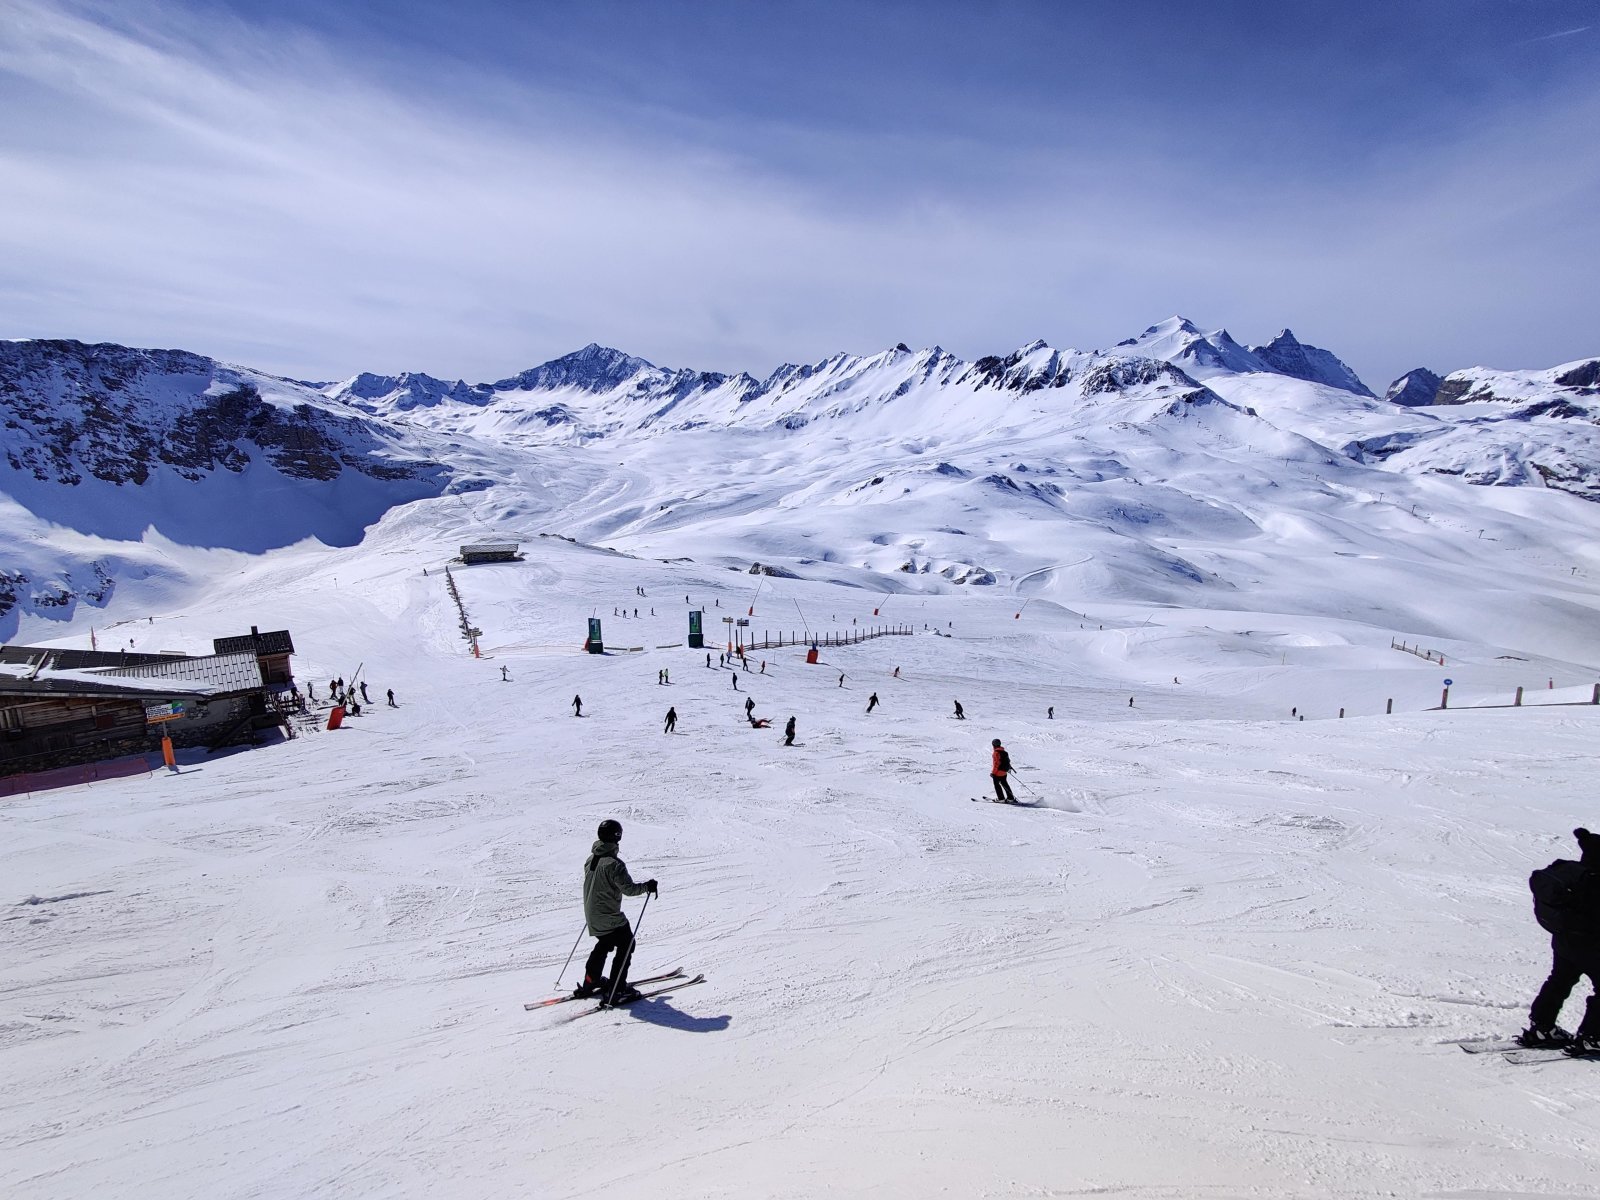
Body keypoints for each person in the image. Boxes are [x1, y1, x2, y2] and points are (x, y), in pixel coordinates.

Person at [1524, 828, 1600, 1052]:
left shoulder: (1577, 877)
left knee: (1559, 980)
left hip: (1564, 941)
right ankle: (1592, 1036)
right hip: (1591, 945)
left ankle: (1542, 1028)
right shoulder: (1594, 884)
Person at [577, 819, 657, 1002]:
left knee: (604, 943)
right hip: (609, 918)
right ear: (617, 837)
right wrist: (647, 886)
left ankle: (591, 981)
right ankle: (617, 989)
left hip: (592, 916)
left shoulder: (591, 859)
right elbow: (629, 890)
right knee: (627, 944)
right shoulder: (614, 864)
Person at [990, 738, 1017, 803]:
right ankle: (1011, 798)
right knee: (1005, 784)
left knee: (997, 785)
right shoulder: (1004, 752)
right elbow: (1008, 761)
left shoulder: (996, 753)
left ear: (993, 745)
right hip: (1004, 772)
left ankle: (1001, 798)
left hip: (998, 772)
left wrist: (993, 773)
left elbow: (996, 764)